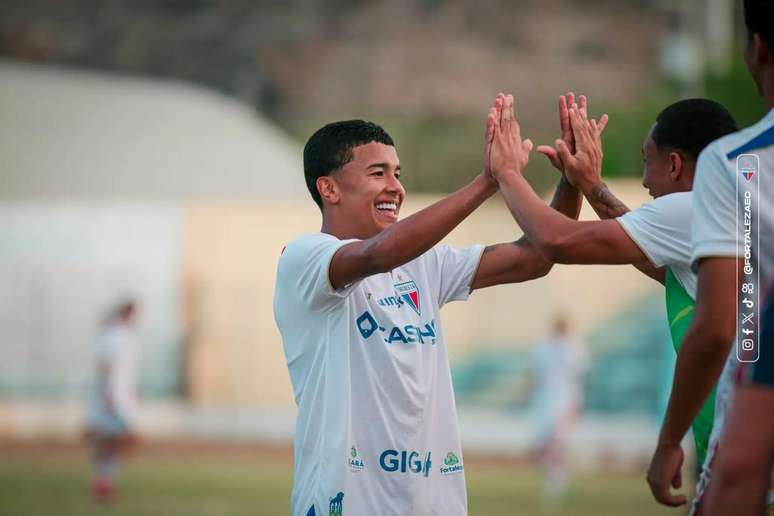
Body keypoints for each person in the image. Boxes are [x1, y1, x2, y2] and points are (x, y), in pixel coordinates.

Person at [273, 93, 602, 515]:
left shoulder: (422, 264)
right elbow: (378, 254)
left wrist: (572, 180)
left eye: (397, 173)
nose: (395, 187)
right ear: (329, 188)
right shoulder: (305, 258)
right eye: (378, 173)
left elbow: (536, 257)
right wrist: (488, 181)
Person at [484, 93, 738, 467]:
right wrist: (587, 183)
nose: (645, 180)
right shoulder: (735, 208)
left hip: (743, 453)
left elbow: (556, 240)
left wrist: (506, 172)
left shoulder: (691, 207)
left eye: (646, 161)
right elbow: (655, 262)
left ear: (673, 164)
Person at [647, 1, 774, 513]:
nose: (645, 180)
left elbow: (721, 327)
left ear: (757, 50)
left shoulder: (737, 165)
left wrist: (667, 442)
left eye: (648, 163)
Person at [85, 298, 141, 504]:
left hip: (122, 397)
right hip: (112, 398)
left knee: (116, 442)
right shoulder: (112, 336)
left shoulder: (126, 336)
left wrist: (132, 391)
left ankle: (105, 481)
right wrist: (108, 395)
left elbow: (127, 370)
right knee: (111, 441)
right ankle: (103, 482)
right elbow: (105, 366)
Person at [530, 313, 588, 502]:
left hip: (565, 402)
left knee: (559, 444)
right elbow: (536, 374)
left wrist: (575, 406)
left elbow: (578, 377)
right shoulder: (544, 347)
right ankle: (555, 476)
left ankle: (557, 481)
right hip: (546, 402)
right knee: (545, 444)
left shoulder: (575, 347)